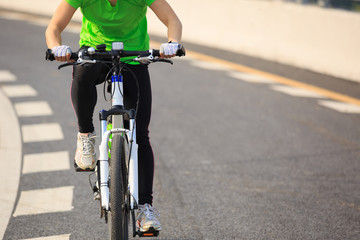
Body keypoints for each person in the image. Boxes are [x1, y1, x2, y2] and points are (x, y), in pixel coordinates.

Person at [45, 0, 182, 233]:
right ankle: (85, 135)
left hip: (133, 58)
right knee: (82, 72)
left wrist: (173, 42)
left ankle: (145, 208)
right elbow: (54, 27)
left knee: (140, 136)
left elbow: (172, 21)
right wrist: (56, 47)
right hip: (95, 53)